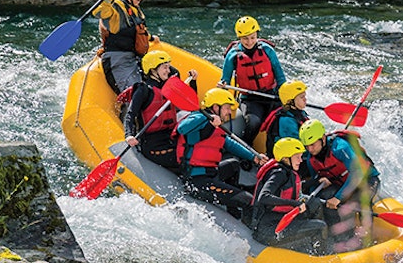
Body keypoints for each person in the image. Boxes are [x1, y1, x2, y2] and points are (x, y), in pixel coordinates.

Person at [177, 87, 266, 217]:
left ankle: (232, 210)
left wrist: (253, 157)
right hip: (197, 183)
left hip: (212, 174)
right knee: (248, 200)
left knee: (233, 165)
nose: (229, 112)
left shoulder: (217, 127)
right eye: (227, 108)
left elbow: (230, 144)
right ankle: (252, 225)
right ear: (215, 107)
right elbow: (182, 128)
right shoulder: (199, 118)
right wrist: (207, 120)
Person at [297, 118, 377, 252]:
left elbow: (357, 172)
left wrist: (338, 197)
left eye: (313, 144)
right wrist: (310, 202)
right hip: (342, 182)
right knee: (327, 201)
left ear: (323, 138)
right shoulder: (311, 159)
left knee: (361, 201)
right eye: (307, 146)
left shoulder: (340, 147)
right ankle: (341, 239)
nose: (310, 149)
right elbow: (315, 181)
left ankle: (367, 241)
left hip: (367, 180)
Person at [121, 50, 197, 170]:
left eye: (168, 67)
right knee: (191, 159)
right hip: (153, 145)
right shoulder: (143, 89)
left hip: (171, 138)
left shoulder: (169, 87)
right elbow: (130, 115)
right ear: (153, 70)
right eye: (165, 67)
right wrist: (129, 135)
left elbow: (191, 104)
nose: (168, 70)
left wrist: (193, 82)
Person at [250, 137, 328, 255]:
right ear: (286, 158)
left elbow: (293, 187)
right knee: (320, 227)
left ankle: (314, 240)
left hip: (281, 218)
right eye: (297, 157)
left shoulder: (285, 171)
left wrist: (316, 182)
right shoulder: (278, 174)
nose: (300, 160)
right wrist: (295, 204)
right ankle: (321, 256)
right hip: (269, 231)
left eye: (301, 156)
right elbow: (264, 197)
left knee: (315, 204)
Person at [221, 16, 287, 143]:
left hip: (271, 95)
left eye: (252, 37)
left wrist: (284, 96)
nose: (249, 41)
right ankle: (246, 148)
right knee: (253, 122)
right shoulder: (233, 55)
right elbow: (225, 80)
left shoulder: (267, 50)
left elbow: (280, 76)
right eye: (245, 38)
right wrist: (223, 87)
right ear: (239, 38)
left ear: (257, 34)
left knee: (282, 121)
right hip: (250, 99)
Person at [93, 0, 154, 94]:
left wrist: (151, 38)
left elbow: (138, 31)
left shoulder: (135, 9)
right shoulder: (116, 8)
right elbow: (99, 12)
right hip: (118, 60)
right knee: (136, 93)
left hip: (134, 58)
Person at [259, 80, 310, 158]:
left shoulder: (299, 112)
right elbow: (295, 146)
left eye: (305, 96)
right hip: (288, 158)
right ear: (290, 101)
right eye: (302, 97)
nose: (305, 99)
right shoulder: (286, 121)